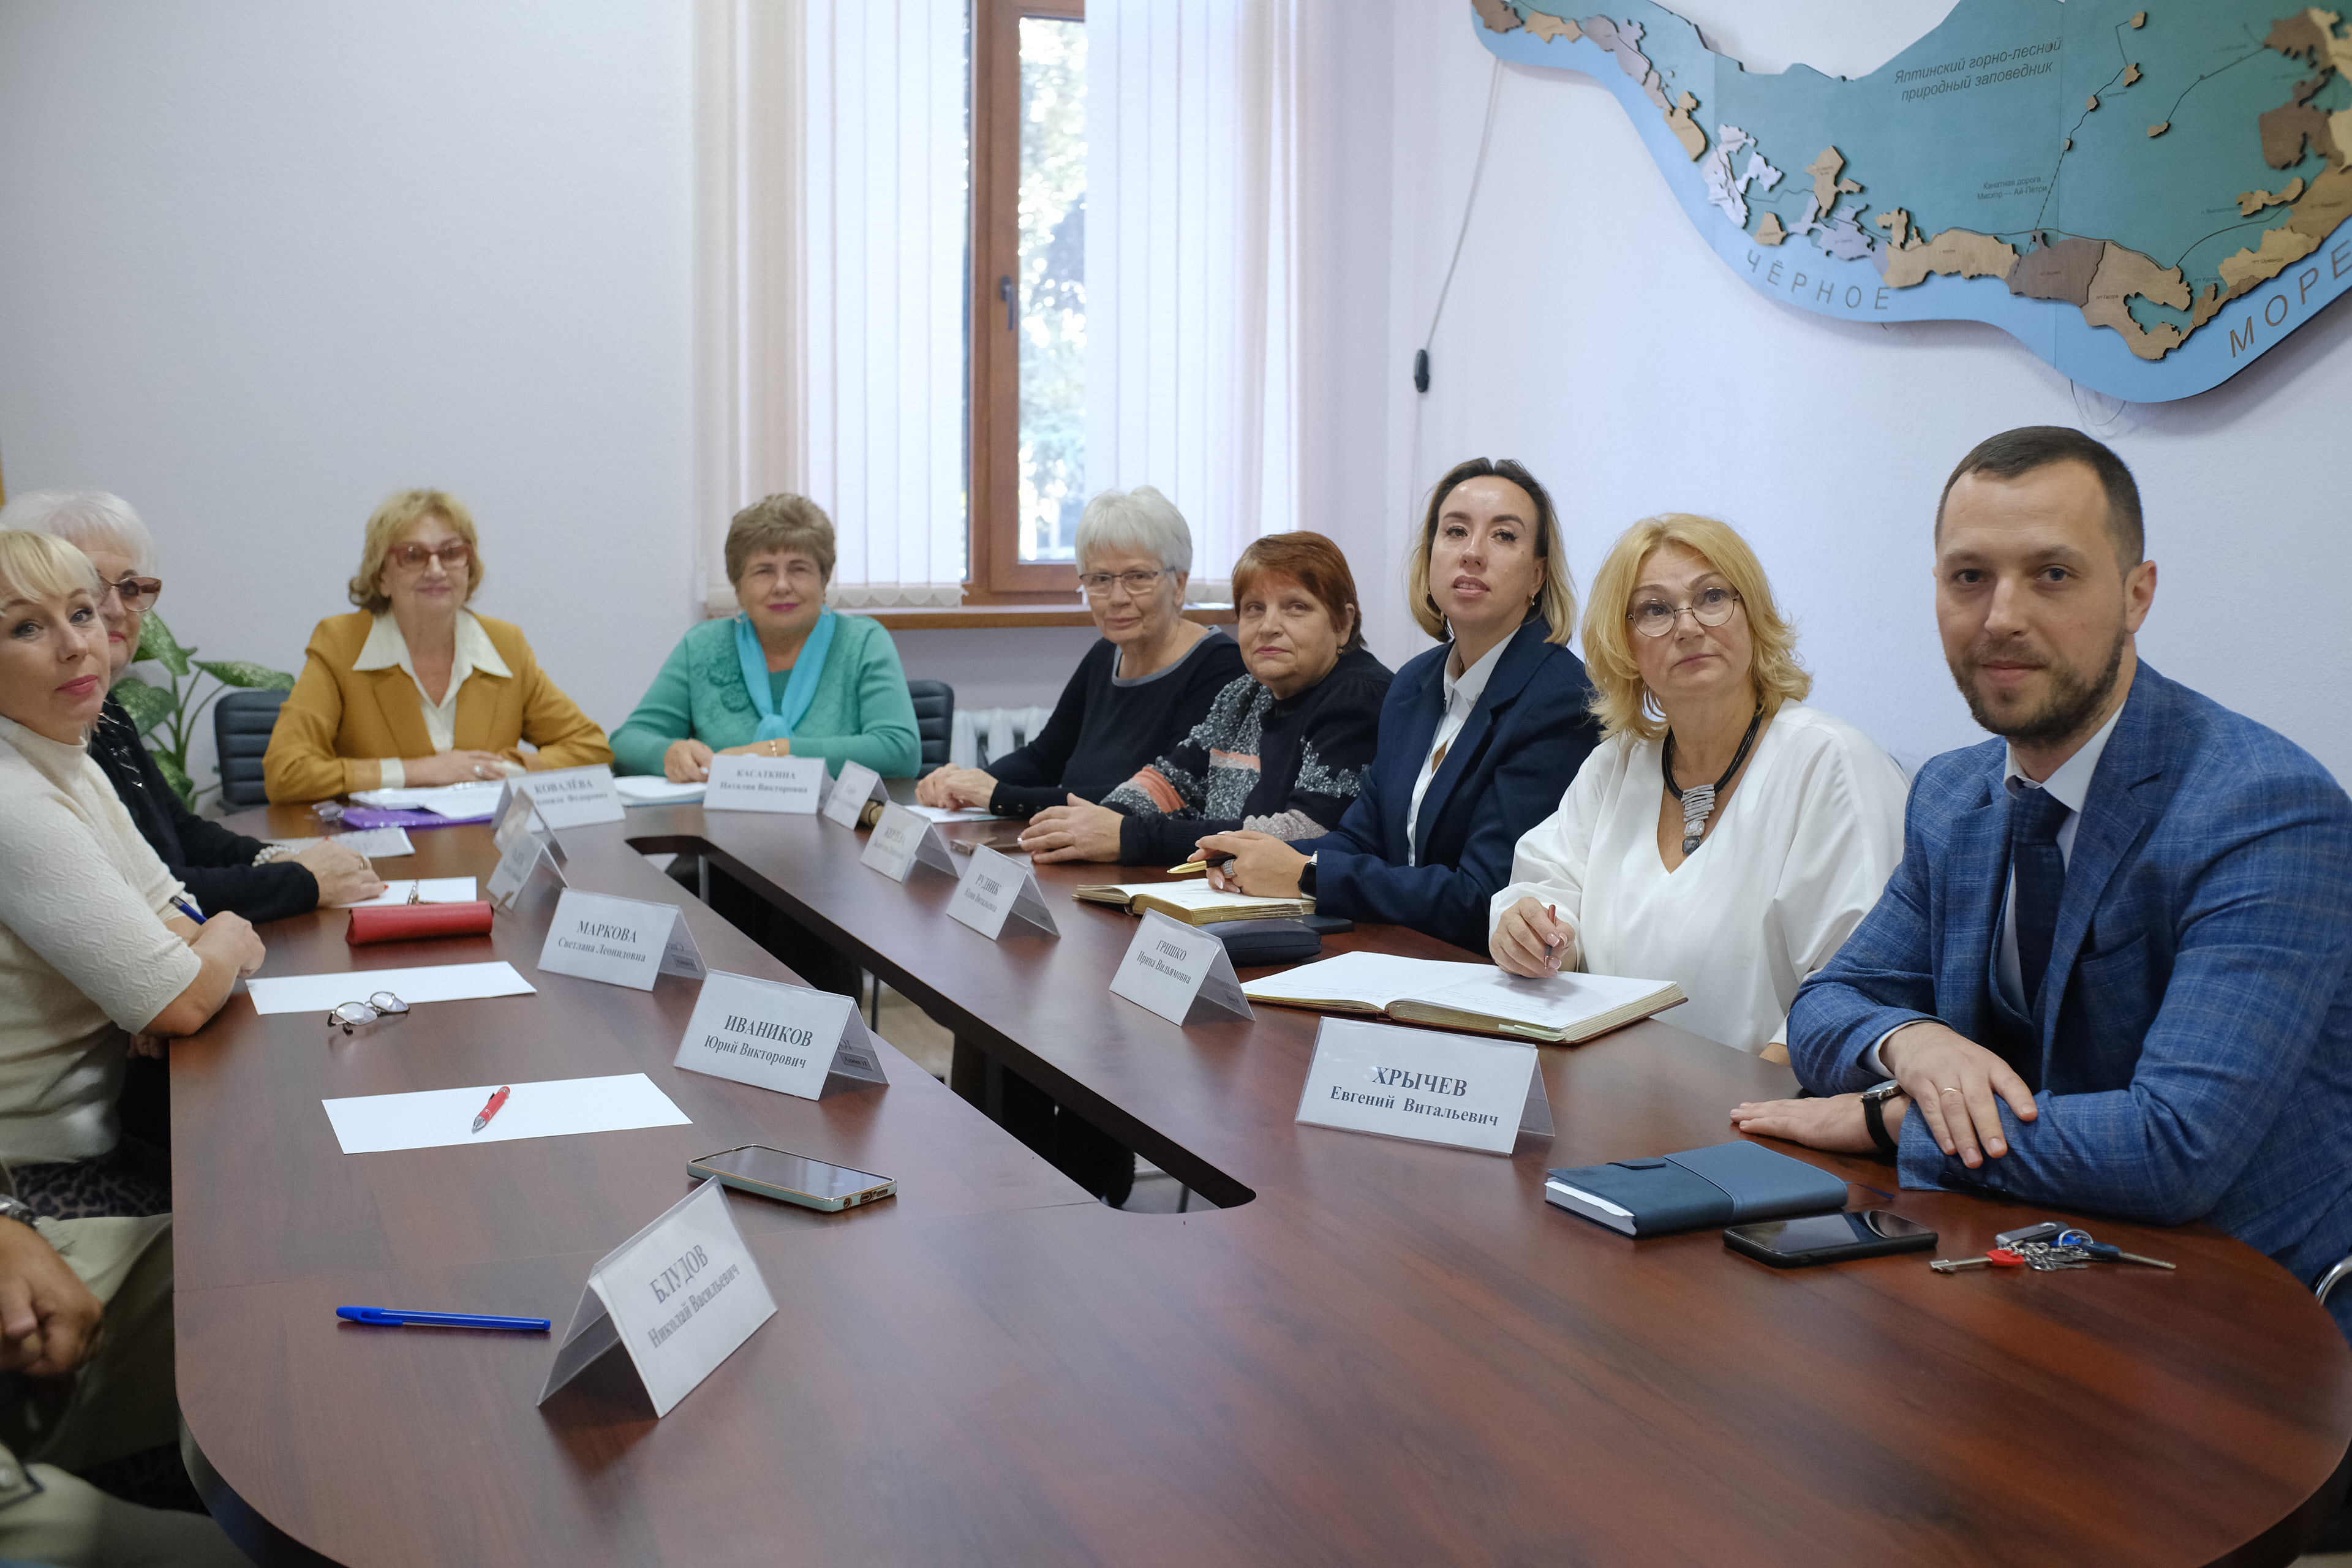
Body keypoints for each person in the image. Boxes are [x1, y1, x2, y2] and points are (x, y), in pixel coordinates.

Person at [1728, 426, 2352, 1343]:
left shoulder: (2264, 808)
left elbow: (2174, 1146)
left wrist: (1891, 1119)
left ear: (2137, 594)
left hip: (2243, 1322)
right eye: (1969, 577)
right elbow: (1828, 1004)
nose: (2001, 617)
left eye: (2052, 574)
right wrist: (1913, 1044)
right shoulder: (1955, 793)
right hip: (2023, 1276)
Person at [1488, 515, 1907, 1057]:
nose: (1687, 627)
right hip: (1608, 1085)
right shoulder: (1616, 764)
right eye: (1655, 609)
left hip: (1770, 1099)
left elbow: (1859, 989)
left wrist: (1747, 1099)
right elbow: (1548, 888)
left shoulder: (1831, 763)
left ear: (1752, 616)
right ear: (1625, 645)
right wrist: (1538, 938)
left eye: (1712, 597)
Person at [1198, 458, 1602, 956]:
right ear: (1430, 558)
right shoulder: (1415, 682)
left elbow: (1486, 898)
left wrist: (1306, 873)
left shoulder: (1560, 698)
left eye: (1503, 536)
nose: (1472, 553)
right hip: (1395, 952)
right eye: (1455, 531)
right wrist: (1253, 857)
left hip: (1481, 971)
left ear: (1537, 575)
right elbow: (1361, 840)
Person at [0, 530, 266, 1219]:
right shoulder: (14, 800)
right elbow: (179, 1000)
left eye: (80, 612)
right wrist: (226, 937)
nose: (74, 645)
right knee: (272, 1227)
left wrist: (190, 959)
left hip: (103, 1139)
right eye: (26, 626)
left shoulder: (66, 755)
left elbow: (172, 907)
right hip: (33, 1189)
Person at [2, 488, 385, 921]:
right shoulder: (40, 745)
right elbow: (148, 896)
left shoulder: (108, 713)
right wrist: (302, 879)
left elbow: (181, 832)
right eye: (89, 591)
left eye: (130, 588)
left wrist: (278, 857)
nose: (114, 608)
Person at [1019, 531, 1392, 865]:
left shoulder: (1358, 697)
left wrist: (1125, 836)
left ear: (1343, 624)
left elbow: (1306, 834)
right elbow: (1171, 783)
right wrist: (1098, 822)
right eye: (1254, 609)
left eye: (1296, 607)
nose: (1268, 626)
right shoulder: (1244, 693)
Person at [914, 486, 1244, 818]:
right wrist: (967, 784)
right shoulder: (1106, 654)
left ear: (1179, 585)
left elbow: (1157, 797)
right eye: (1100, 579)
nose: (1117, 598)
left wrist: (1000, 796)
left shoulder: (1221, 667)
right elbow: (1044, 758)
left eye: (1138, 577)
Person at [265, 489, 612, 802]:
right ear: (381, 576)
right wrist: (419, 771)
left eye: (451, 553)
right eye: (413, 556)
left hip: (483, 843)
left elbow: (592, 749)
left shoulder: (505, 645)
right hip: (377, 845)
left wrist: (501, 769)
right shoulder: (341, 644)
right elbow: (287, 772)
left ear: (469, 567)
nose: (435, 570)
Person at [611, 492, 919, 782]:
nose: (782, 586)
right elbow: (626, 742)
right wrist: (668, 754)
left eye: (799, 569)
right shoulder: (702, 646)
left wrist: (776, 752)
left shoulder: (863, 642)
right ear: (738, 587)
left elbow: (899, 750)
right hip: (719, 819)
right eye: (764, 572)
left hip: (836, 820)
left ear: (823, 581)